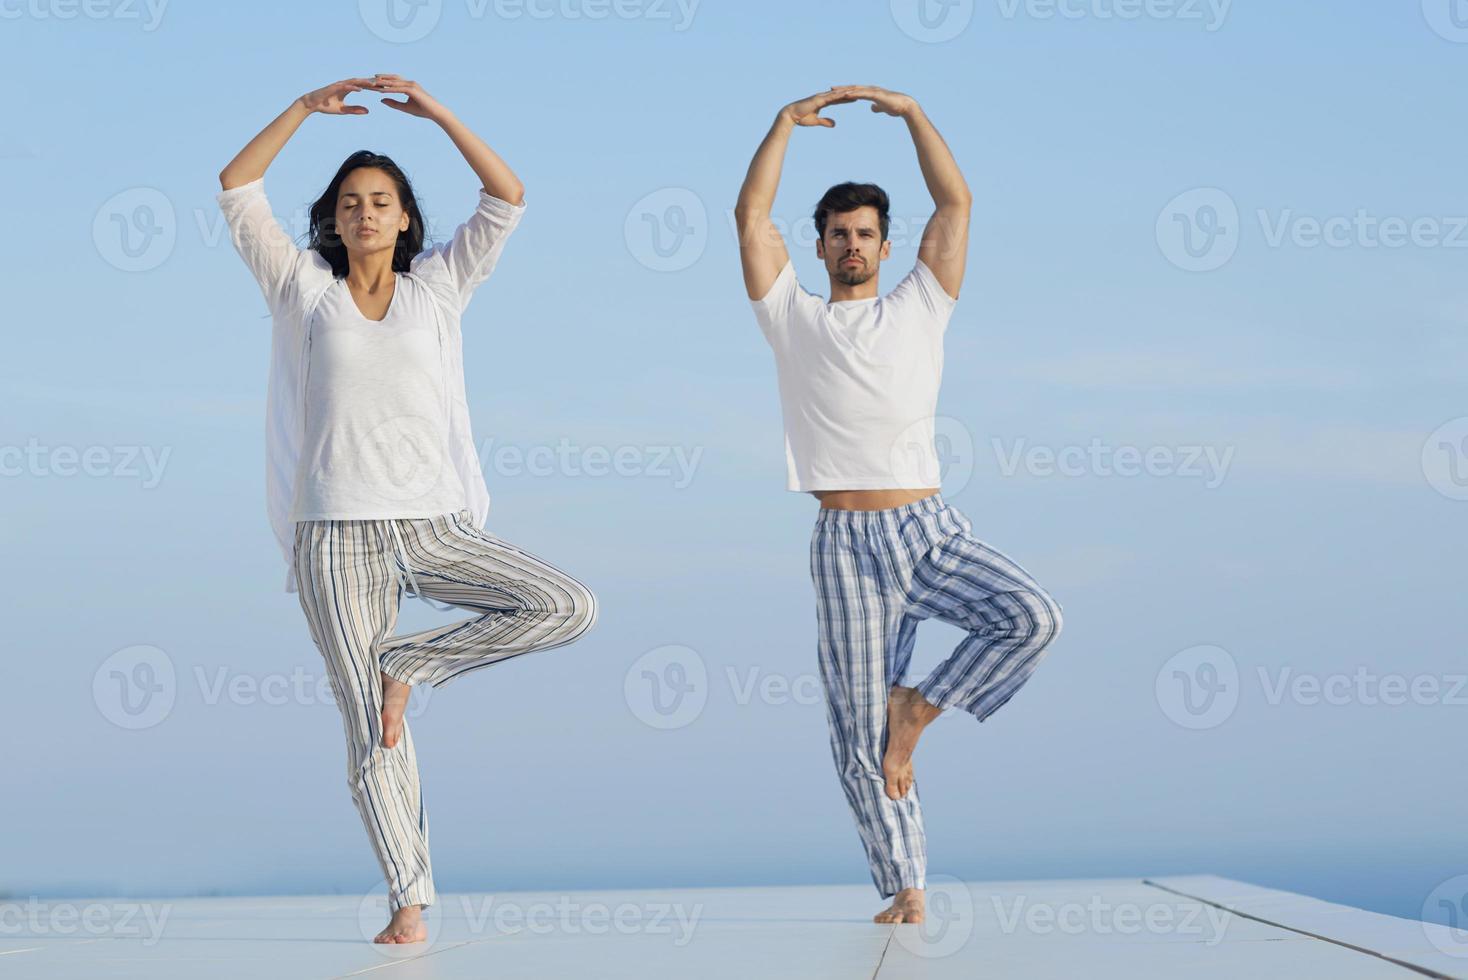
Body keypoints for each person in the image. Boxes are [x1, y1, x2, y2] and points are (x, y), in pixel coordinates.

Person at [216, 75, 598, 944]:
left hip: (433, 527)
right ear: (334, 219)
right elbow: (238, 188)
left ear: (405, 219)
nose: (364, 213)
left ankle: (413, 668)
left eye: (381, 201)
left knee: (566, 605)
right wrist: (303, 110)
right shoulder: (302, 291)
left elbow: (507, 196)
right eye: (350, 203)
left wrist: (443, 115)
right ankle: (409, 902)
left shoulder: (439, 288)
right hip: (335, 537)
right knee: (368, 730)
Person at [734, 85, 1065, 925]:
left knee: (1032, 617)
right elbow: (749, 213)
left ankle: (918, 706)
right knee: (853, 728)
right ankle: (908, 890)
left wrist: (913, 114)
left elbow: (956, 202)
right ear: (819, 246)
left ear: (885, 247)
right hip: (843, 542)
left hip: (926, 527)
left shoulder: (920, 304)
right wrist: (781, 126)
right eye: (839, 234)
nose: (853, 244)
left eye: (866, 234)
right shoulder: (791, 317)